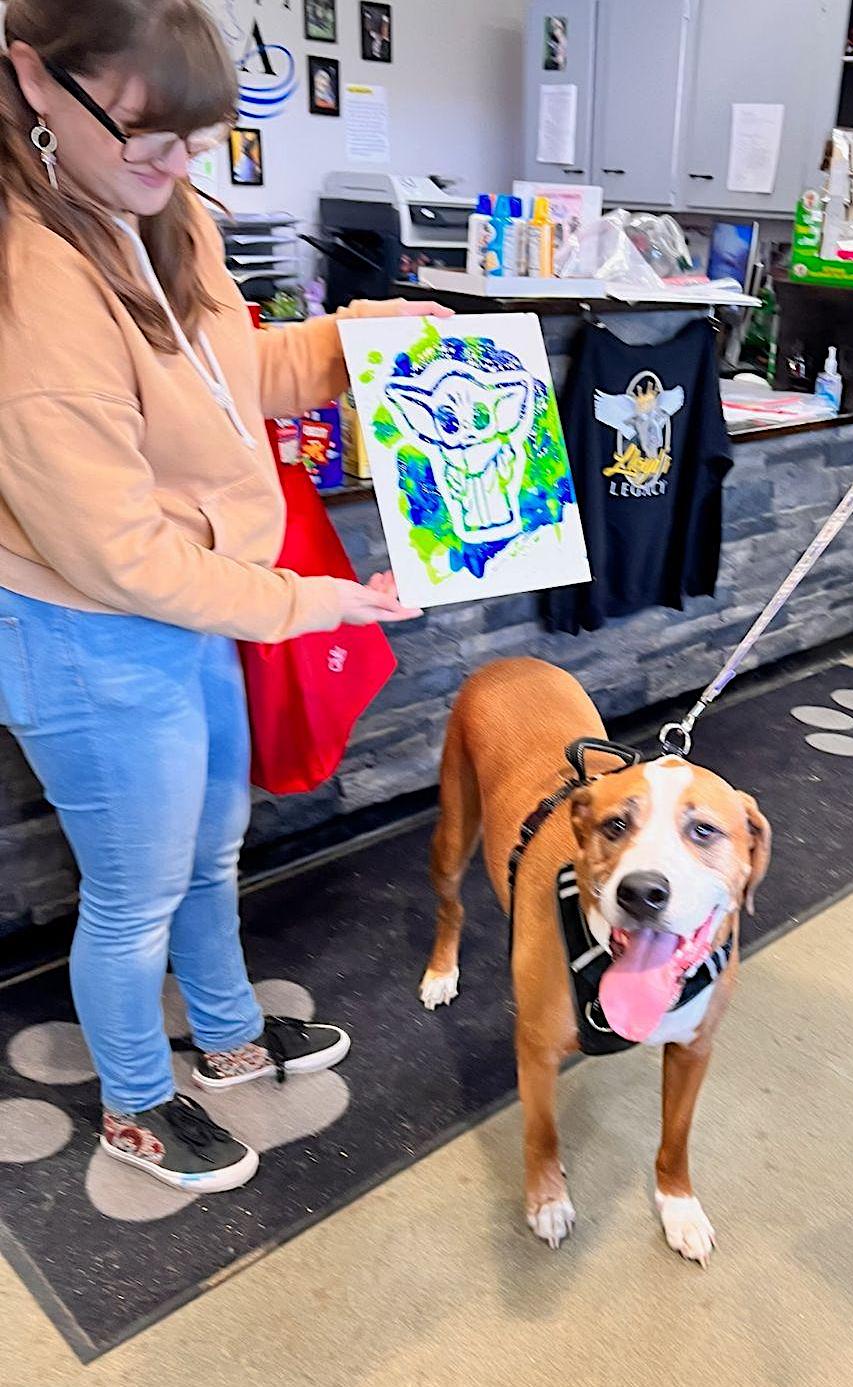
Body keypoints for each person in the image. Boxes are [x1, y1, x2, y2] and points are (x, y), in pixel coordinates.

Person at [0, 0, 451, 1195]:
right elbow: (119, 557)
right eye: (146, 134)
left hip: (191, 603)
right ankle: (135, 1106)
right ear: (35, 78)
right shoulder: (32, 291)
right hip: (87, 626)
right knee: (133, 891)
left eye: (197, 140)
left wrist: (357, 343)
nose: (176, 165)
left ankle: (229, 1034)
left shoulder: (159, 203)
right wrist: (305, 601)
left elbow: (232, 372)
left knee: (208, 850)